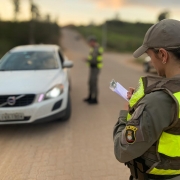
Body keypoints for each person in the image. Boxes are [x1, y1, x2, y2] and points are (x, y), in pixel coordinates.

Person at [113, 19, 180, 180]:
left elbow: (122, 150)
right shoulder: (156, 99)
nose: (152, 63)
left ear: (163, 55)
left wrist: (126, 113)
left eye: (150, 56)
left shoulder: (159, 101)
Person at [83, 36, 103, 104]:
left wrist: (87, 60)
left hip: (96, 68)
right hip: (92, 67)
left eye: (90, 42)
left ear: (93, 42)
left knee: (94, 83)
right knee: (90, 82)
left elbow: (94, 60)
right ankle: (90, 96)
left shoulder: (96, 49)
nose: (89, 43)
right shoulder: (93, 48)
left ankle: (95, 99)